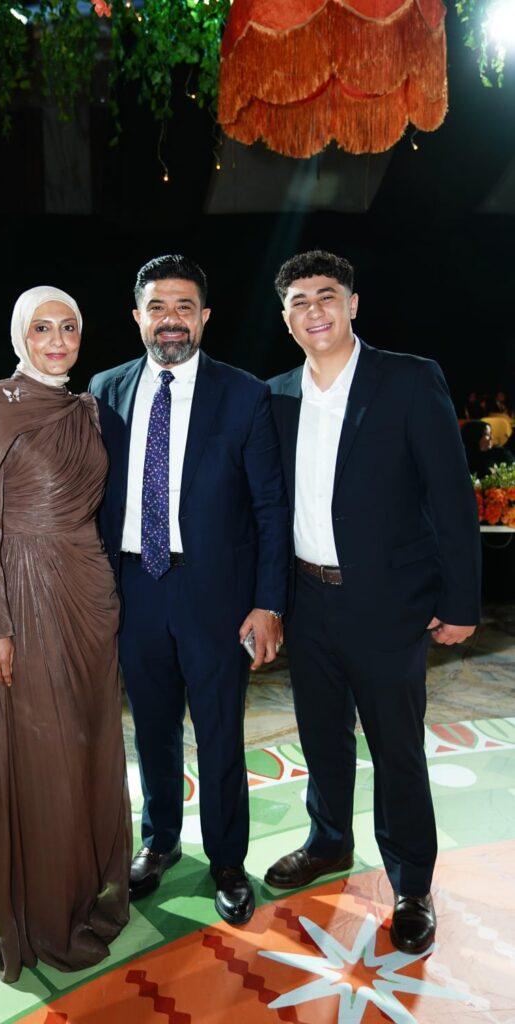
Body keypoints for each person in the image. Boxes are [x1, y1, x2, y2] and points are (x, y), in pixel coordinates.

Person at [266, 251, 481, 955]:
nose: (315, 310)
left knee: (396, 748)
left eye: (326, 295)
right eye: (299, 301)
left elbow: (450, 496)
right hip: (306, 599)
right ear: (285, 319)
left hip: (389, 602)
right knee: (321, 736)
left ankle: (412, 883)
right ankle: (328, 840)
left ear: (352, 304)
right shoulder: (275, 396)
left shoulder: (408, 380)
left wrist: (460, 600)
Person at [89, 255, 288, 927]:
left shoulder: (244, 394)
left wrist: (268, 602)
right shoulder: (105, 389)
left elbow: (269, 508)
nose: (170, 319)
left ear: (203, 317)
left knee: (220, 731)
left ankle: (227, 861)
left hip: (216, 596)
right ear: (137, 316)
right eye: (157, 307)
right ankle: (160, 841)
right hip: (133, 589)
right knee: (150, 728)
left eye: (183, 307)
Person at [0, 286, 131, 983]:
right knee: (40, 751)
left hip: (89, 594)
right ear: (20, 334)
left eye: (69, 327)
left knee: (85, 746)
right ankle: (39, 912)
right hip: (22, 598)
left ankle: (80, 891)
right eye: (42, 328)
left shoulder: (88, 410)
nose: (57, 341)